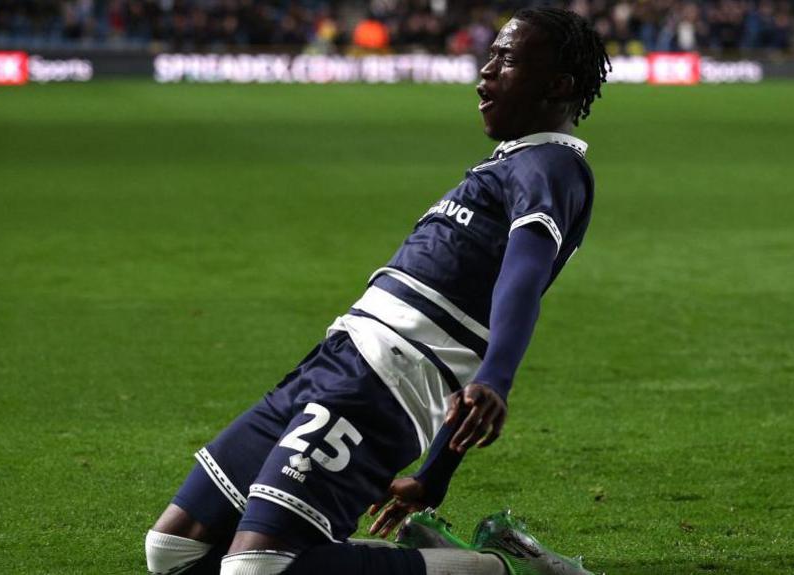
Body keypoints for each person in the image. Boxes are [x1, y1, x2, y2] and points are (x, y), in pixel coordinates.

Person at [144, 7, 611, 575]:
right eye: (488, 56)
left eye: (506, 61)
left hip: (383, 381)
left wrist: (495, 380)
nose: (484, 74)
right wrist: (433, 473)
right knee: (175, 550)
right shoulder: (508, 165)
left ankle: (500, 570)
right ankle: (436, 561)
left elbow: (524, 277)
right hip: (334, 360)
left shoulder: (553, 166)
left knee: (256, 568)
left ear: (557, 85)